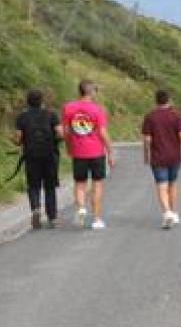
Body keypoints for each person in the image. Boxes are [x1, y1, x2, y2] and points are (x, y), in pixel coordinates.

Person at [62, 79, 114, 230]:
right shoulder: (98, 110)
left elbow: (66, 132)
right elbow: (103, 133)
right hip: (96, 152)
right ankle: (97, 219)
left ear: (80, 91)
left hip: (78, 152)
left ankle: (81, 209)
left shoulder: (68, 108)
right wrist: (110, 151)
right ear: (92, 92)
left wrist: (69, 147)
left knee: (80, 184)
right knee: (97, 184)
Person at [141, 89, 181, 229]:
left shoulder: (150, 117)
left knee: (161, 185)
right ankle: (173, 212)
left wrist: (146, 155)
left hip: (158, 156)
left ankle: (167, 213)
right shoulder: (176, 116)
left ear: (156, 100)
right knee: (172, 184)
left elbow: (147, 139)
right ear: (169, 100)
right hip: (174, 157)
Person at [14, 89, 61, 229]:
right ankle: (52, 218)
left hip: (31, 155)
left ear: (27, 101)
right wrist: (57, 140)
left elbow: (18, 138)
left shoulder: (22, 117)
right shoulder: (51, 114)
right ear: (42, 101)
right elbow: (60, 133)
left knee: (33, 184)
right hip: (49, 154)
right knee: (50, 186)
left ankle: (35, 208)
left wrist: (17, 142)